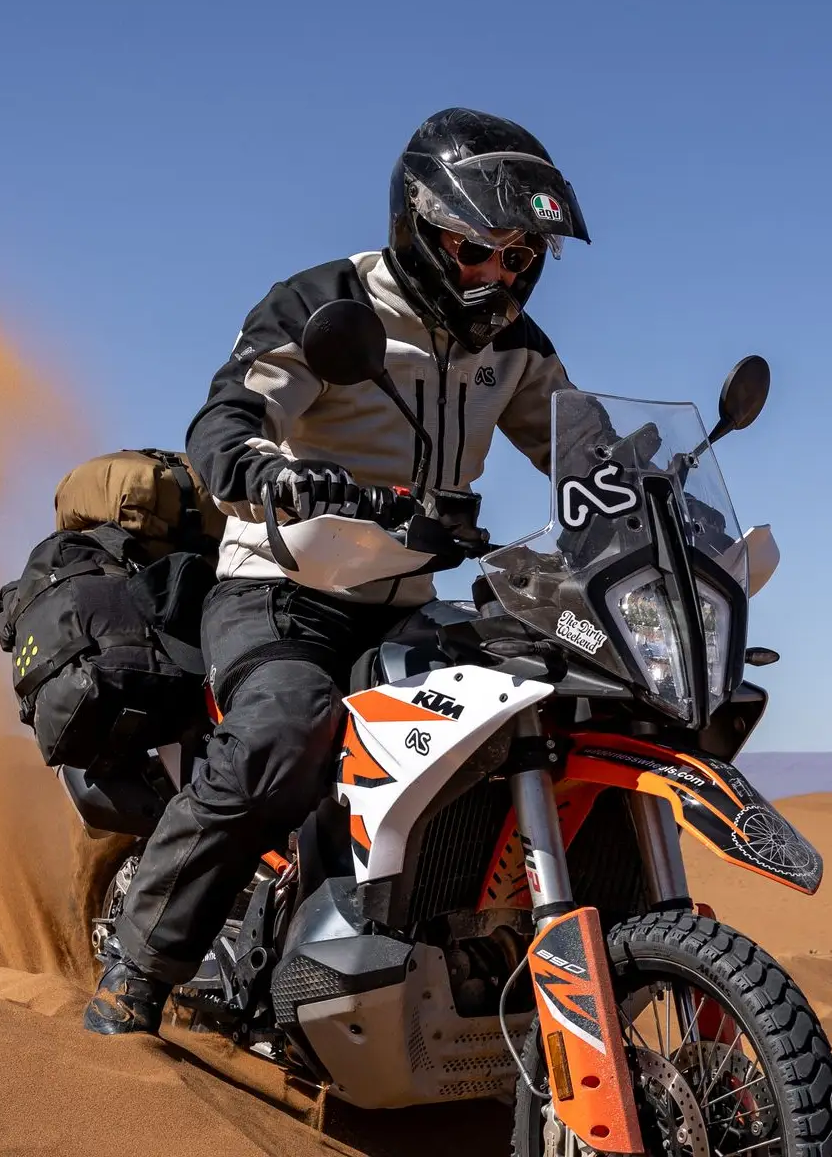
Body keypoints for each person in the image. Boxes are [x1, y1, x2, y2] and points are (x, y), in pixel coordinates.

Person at [84, 107, 592, 1034]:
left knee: (507, 728)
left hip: (405, 601)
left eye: (520, 256)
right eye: (477, 250)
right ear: (421, 227)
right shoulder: (329, 306)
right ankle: (136, 974)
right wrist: (261, 467)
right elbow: (228, 417)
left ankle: (400, 962)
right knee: (284, 736)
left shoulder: (514, 349)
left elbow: (579, 447)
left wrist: (645, 489)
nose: (499, 274)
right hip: (282, 591)